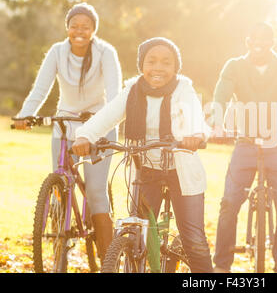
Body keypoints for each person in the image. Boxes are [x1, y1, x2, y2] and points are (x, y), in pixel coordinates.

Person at [72, 37, 214, 273]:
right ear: (142, 65)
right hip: (146, 171)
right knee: (138, 233)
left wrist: (195, 134)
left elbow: (194, 115)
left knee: (193, 239)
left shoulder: (183, 90)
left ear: (175, 67)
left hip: (182, 171)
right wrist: (85, 136)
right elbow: (107, 116)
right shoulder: (132, 91)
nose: (158, 67)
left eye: (166, 62)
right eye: (152, 61)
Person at [14, 3, 122, 265]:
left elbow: (115, 94)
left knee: (96, 191)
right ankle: (59, 254)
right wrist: (25, 114)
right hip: (65, 125)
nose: (79, 31)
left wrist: (103, 121)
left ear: (94, 29)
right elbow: (40, 89)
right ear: (67, 28)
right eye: (74, 26)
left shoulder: (105, 52)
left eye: (85, 26)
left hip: (99, 126)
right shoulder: (57, 52)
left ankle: (107, 261)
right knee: (60, 186)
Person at [210, 22, 277, 273]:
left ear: (273, 42)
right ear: (247, 41)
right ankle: (222, 267)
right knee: (229, 203)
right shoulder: (234, 66)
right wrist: (218, 125)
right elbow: (220, 97)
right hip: (245, 144)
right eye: (254, 39)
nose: (259, 43)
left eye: (265, 39)